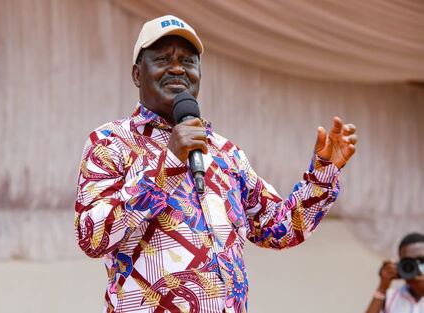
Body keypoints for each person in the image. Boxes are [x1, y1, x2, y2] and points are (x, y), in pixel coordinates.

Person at [74, 15, 357, 313]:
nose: (176, 69)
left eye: (187, 61)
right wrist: (168, 162)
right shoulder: (109, 141)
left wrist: (324, 172)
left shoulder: (226, 153)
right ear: (136, 74)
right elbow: (91, 237)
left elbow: (279, 228)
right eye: (162, 59)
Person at [365, 233, 424, 313]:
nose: (416, 267)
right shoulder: (389, 297)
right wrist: (382, 288)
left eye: (421, 261)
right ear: (400, 265)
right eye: (409, 263)